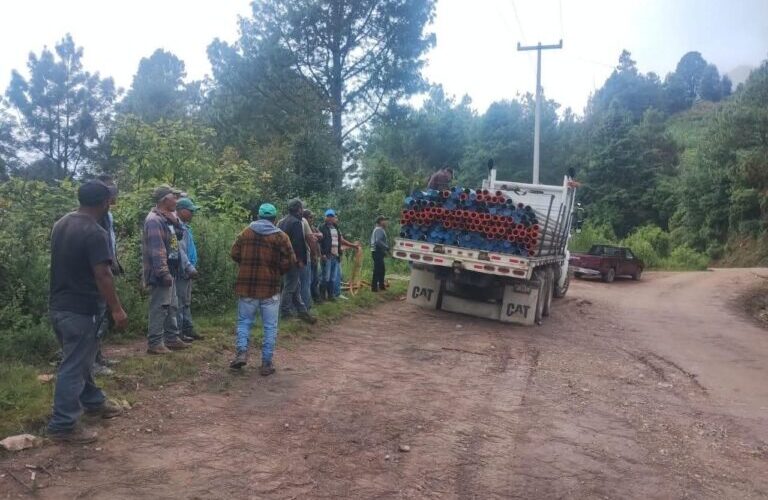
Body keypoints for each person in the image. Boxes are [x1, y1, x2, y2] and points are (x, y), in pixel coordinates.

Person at [47, 180, 128, 443]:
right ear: (105, 203)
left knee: (81, 358)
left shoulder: (61, 224)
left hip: (59, 305)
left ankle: (93, 401)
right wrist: (117, 309)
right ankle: (63, 424)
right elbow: (103, 274)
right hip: (82, 309)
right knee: (74, 365)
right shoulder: (95, 232)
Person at [229, 203, 295, 375]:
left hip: (247, 286)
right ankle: (266, 363)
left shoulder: (246, 233)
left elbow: (234, 253)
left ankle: (241, 354)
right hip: (270, 287)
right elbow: (290, 260)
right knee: (270, 326)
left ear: (258, 216)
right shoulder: (281, 236)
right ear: (274, 218)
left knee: (244, 322)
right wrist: (277, 271)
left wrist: (245, 265)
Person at [142, 185, 189, 354]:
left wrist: (175, 221)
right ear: (164, 200)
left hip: (171, 269)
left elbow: (179, 236)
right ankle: (155, 343)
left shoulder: (167, 218)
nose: (176, 200)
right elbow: (157, 250)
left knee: (172, 306)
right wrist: (163, 272)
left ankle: (171, 338)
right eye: (173, 197)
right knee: (160, 306)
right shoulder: (154, 220)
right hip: (160, 271)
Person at [92, 174, 122, 377]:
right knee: (95, 316)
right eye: (111, 191)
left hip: (106, 267)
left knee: (101, 314)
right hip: (96, 272)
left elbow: (109, 243)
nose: (114, 195)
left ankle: (97, 355)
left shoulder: (107, 215)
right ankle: (91, 361)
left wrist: (115, 262)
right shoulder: (95, 216)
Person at [277, 199, 316, 323]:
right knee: (290, 286)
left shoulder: (282, 221)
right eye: (301, 208)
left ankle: (302, 311)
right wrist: (300, 259)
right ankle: (285, 313)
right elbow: (298, 242)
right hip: (292, 259)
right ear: (299, 209)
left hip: (282, 258)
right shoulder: (296, 222)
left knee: (296, 285)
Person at [318, 209, 360, 301]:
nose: (330, 218)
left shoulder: (336, 228)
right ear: (325, 218)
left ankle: (331, 296)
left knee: (333, 277)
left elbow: (340, 240)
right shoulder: (322, 227)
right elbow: (319, 242)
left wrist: (351, 246)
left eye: (331, 216)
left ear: (334, 218)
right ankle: (322, 297)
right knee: (325, 277)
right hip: (327, 255)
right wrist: (322, 254)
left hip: (335, 255)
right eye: (328, 216)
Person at [176, 197, 202, 341]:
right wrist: (189, 267)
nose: (192, 213)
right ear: (181, 211)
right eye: (190, 211)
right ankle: (179, 332)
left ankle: (188, 329)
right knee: (179, 302)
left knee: (186, 301)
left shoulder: (185, 227)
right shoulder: (177, 228)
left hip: (187, 271)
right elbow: (180, 251)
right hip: (182, 270)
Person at [304, 210, 323, 304]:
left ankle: (316, 298)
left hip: (315, 257)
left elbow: (321, 235)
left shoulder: (313, 228)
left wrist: (314, 235)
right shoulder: (303, 227)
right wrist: (314, 236)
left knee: (315, 279)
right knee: (309, 280)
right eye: (310, 217)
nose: (312, 219)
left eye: (312, 217)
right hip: (308, 257)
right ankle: (309, 299)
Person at [370, 215, 390, 292]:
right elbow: (378, 241)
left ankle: (381, 286)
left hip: (378, 251)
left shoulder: (379, 229)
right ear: (381, 221)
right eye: (384, 220)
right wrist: (386, 247)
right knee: (378, 269)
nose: (386, 222)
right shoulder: (379, 230)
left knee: (381, 269)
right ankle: (374, 287)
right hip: (377, 251)